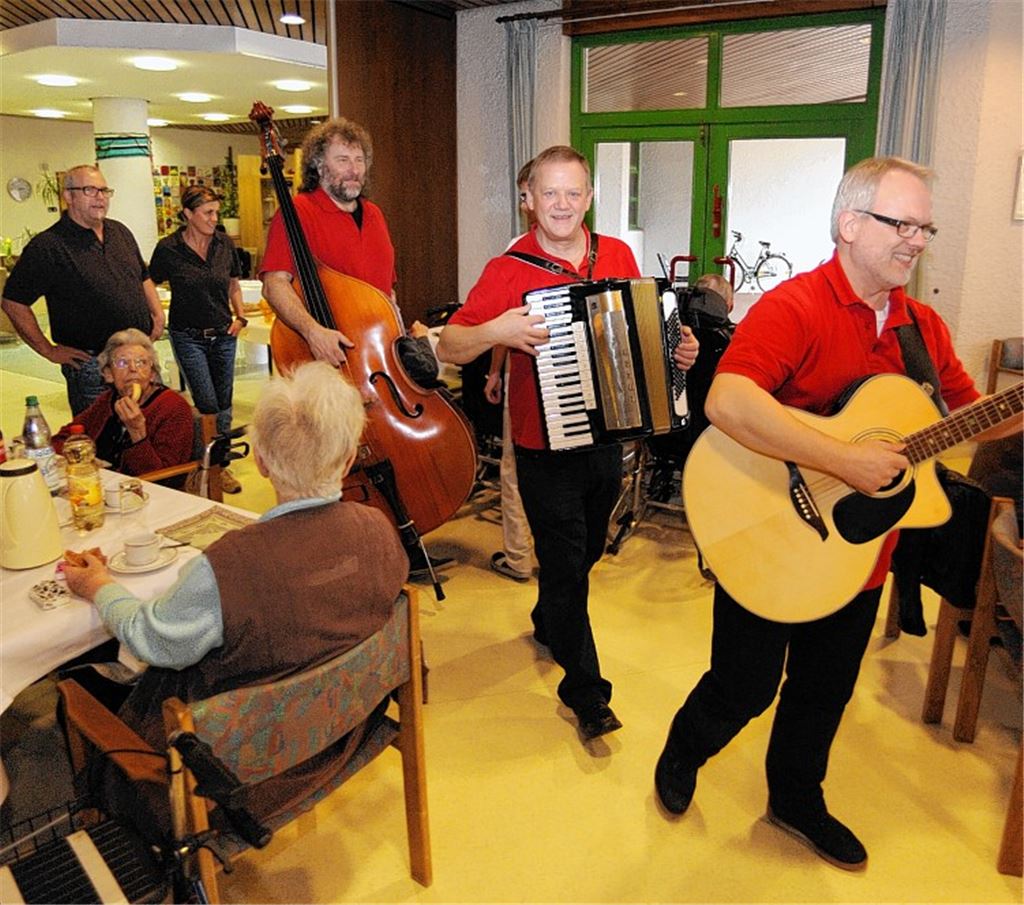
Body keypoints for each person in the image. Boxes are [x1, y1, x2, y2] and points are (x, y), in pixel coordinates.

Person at [653, 157, 1022, 870]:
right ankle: (684, 747)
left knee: (824, 691)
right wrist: (844, 460)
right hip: (766, 528)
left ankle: (795, 799)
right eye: (903, 224)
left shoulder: (922, 328)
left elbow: (971, 415)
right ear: (849, 223)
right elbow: (727, 401)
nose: (917, 240)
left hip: (859, 554)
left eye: (926, 228)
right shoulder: (795, 307)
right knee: (746, 685)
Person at [62, 361, 409, 836]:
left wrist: (99, 585)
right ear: (349, 459)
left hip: (232, 782)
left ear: (261, 461)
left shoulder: (224, 568)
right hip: (347, 730)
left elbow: (150, 640)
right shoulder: (378, 529)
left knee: (80, 685)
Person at [437, 145, 699, 743]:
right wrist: (498, 330)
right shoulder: (508, 269)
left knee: (586, 553)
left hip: (606, 438)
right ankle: (586, 691)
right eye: (549, 193)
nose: (562, 204)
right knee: (564, 562)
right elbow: (450, 344)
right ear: (528, 199)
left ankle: (548, 615)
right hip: (541, 444)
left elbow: (645, 329)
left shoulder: (618, 254)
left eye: (573, 192)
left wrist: (679, 351)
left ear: (589, 197)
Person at [259, 116, 450, 576]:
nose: (353, 169)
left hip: (377, 361)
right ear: (318, 166)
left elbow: (385, 290)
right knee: (326, 458)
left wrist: (400, 328)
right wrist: (313, 331)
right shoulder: (298, 212)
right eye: (342, 159)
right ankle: (341, 554)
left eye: (359, 159)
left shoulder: (375, 215)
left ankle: (398, 542)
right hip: (326, 361)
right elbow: (275, 284)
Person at [1, 165, 164, 414]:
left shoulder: (119, 231)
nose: (100, 197)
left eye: (104, 190)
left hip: (139, 358)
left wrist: (157, 314)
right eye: (90, 190)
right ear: (68, 196)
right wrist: (48, 350)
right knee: (99, 431)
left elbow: (143, 276)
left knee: (149, 424)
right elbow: (13, 302)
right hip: (91, 365)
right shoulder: (48, 246)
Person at [149, 185, 247, 493]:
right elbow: (147, 281)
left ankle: (220, 466)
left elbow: (233, 284)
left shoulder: (223, 243)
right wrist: (156, 315)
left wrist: (241, 316)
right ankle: (204, 464)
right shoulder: (169, 248)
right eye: (208, 213)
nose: (214, 218)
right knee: (207, 404)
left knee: (224, 404)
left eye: (216, 212)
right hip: (188, 337)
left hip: (224, 334)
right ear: (188, 214)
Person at [485, 159, 538, 583]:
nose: (525, 204)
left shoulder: (516, 249)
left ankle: (520, 557)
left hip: (524, 377)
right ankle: (528, 555)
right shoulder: (517, 249)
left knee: (515, 470)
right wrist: (494, 372)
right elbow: (502, 325)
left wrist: (495, 372)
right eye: (523, 195)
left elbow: (505, 323)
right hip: (521, 373)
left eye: (528, 194)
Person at [51, 328, 193, 478]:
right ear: (108, 374)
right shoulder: (109, 399)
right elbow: (64, 438)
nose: (133, 369)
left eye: (141, 362)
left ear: (152, 374)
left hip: (143, 486)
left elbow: (164, 479)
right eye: (122, 363)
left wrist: (137, 432)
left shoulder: (173, 407)